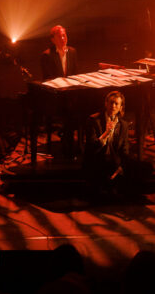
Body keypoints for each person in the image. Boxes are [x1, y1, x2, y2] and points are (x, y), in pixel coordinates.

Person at [83, 90, 133, 197]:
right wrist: (106, 133)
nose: (113, 106)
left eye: (116, 104)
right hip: (97, 162)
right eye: (111, 102)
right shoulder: (94, 120)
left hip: (114, 164)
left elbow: (125, 149)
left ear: (120, 107)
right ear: (106, 103)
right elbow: (91, 147)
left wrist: (121, 167)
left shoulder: (123, 125)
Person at [40, 25, 80, 157]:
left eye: (64, 35)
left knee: (82, 106)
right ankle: (68, 143)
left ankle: (71, 139)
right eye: (59, 36)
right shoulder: (47, 55)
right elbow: (48, 79)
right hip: (55, 96)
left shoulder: (72, 52)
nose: (63, 38)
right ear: (53, 40)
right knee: (69, 111)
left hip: (70, 93)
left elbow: (75, 73)